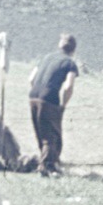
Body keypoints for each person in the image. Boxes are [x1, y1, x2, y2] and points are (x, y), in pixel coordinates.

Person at [28, 34, 79, 177]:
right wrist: (62, 105)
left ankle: (50, 163)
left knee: (41, 132)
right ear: (74, 50)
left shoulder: (46, 57)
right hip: (49, 99)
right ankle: (46, 168)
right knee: (51, 136)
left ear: (59, 46)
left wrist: (37, 94)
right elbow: (68, 87)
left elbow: (31, 79)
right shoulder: (70, 63)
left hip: (33, 96)